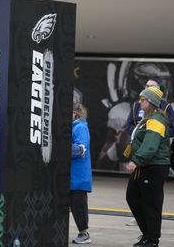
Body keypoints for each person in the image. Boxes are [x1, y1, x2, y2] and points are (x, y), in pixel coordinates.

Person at [125, 86, 170, 247]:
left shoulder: (157, 120)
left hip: (154, 167)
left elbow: (150, 145)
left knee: (151, 204)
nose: (140, 101)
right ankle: (147, 234)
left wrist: (136, 160)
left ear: (150, 101)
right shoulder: (147, 118)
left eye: (142, 99)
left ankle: (152, 240)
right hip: (144, 166)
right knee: (133, 197)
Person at [70, 102, 92, 244]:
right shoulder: (74, 126)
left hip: (78, 177)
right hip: (72, 175)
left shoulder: (80, 127)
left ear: (74, 113)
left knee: (78, 206)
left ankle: (84, 234)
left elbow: (80, 149)